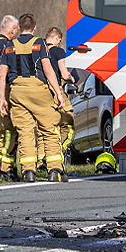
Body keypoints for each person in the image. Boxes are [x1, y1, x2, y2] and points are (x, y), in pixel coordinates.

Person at [0, 13, 65, 182]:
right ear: (35, 28)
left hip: (17, 92)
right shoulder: (40, 43)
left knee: (25, 132)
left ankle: (28, 171)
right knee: (49, 130)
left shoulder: (9, 46)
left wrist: (2, 98)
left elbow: (1, 76)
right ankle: (54, 170)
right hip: (39, 91)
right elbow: (48, 70)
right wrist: (58, 93)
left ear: (19, 28)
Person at [0, 14, 20, 180]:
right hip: (2, 87)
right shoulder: (5, 45)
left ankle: (1, 164)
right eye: (16, 30)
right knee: (9, 130)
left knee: (0, 130)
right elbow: (3, 71)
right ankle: (6, 169)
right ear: (12, 29)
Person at [45, 26, 76, 168]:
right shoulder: (58, 51)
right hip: (55, 89)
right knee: (68, 124)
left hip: (39, 90)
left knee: (45, 127)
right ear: (57, 38)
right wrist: (72, 79)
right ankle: (57, 153)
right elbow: (64, 74)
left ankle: (41, 160)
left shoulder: (38, 49)